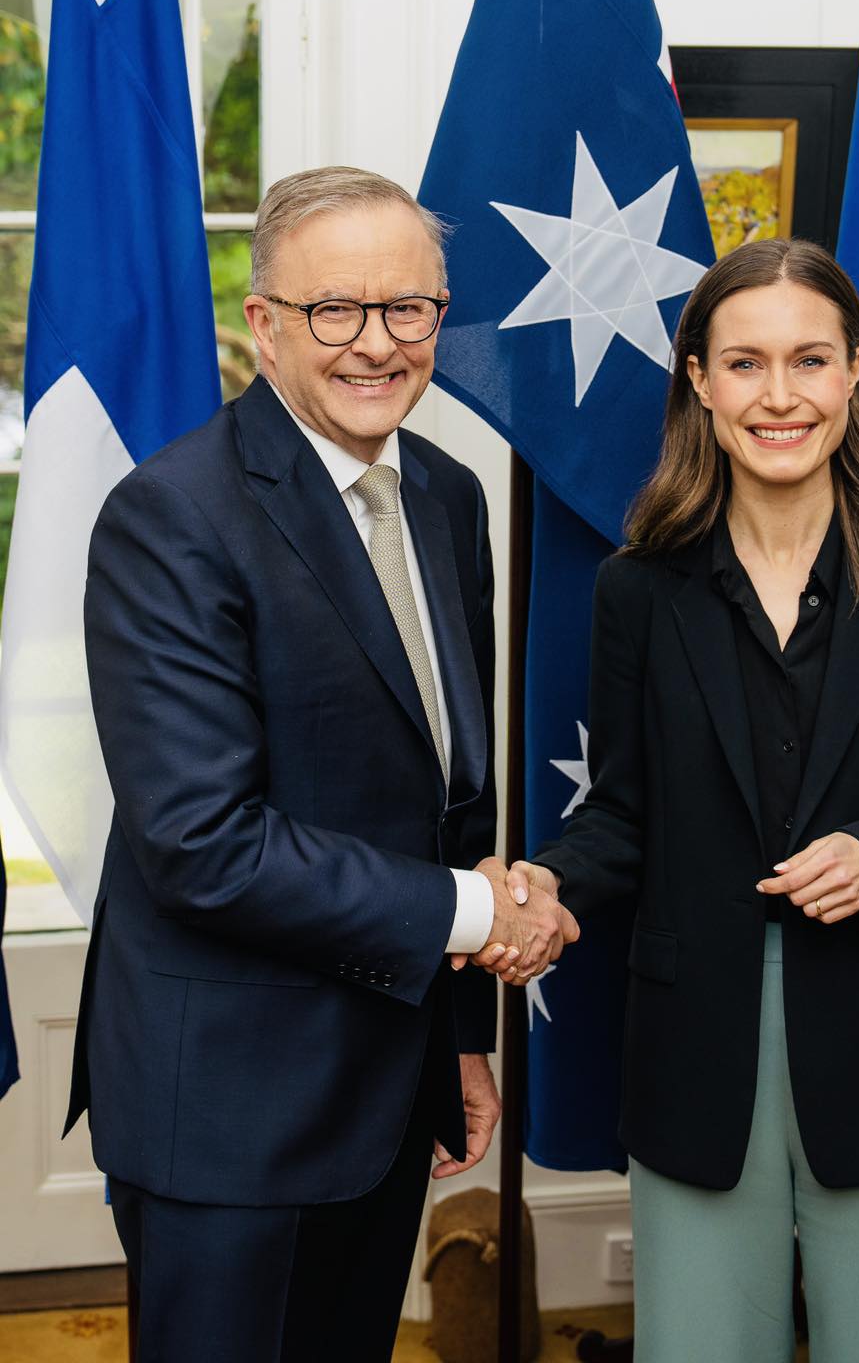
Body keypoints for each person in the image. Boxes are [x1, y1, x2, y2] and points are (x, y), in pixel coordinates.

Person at [65, 166, 577, 1363]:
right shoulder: (173, 516)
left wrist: (460, 1038)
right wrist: (476, 913)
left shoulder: (446, 499)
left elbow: (449, 793)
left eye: (407, 309)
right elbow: (204, 842)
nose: (376, 344)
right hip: (227, 1110)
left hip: (389, 1087)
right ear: (264, 324)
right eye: (333, 310)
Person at [493, 239, 859, 1362]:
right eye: (744, 363)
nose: (778, 395)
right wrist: (548, 879)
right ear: (697, 379)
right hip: (695, 1053)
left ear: (853, 373)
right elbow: (622, 812)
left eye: (809, 360)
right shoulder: (636, 588)